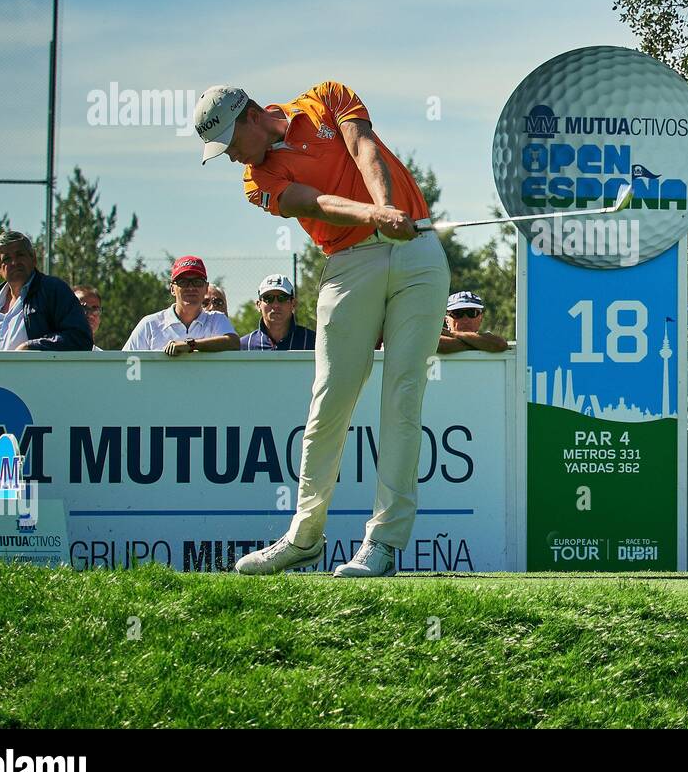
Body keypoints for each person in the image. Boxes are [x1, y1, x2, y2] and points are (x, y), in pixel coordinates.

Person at [195, 81, 448, 578]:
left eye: (229, 144)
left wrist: (387, 206)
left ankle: (383, 543)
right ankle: (304, 537)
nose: (229, 158)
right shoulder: (257, 180)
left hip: (417, 251)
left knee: (403, 394)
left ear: (249, 116)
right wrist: (375, 215)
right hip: (350, 261)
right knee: (330, 399)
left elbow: (362, 145)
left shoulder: (326, 97)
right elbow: (316, 203)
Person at [0, 231, 93, 351]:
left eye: (20, 255)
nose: (14, 262)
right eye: (6, 258)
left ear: (33, 258)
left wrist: (32, 347)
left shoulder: (52, 290)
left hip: (37, 378)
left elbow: (80, 337)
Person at [121, 256, 240, 355]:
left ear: (205, 288)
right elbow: (125, 364)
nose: (191, 287)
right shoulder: (150, 325)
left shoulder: (216, 319)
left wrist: (190, 345)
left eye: (197, 282)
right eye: (183, 282)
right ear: (172, 289)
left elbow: (233, 343)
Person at [240, 273, 316, 350]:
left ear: (293, 304)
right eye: (268, 298)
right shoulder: (244, 346)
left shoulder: (313, 342)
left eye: (282, 298)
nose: (276, 305)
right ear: (258, 305)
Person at [437, 291, 509, 353]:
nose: (466, 320)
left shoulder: (489, 338)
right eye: (457, 313)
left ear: (481, 318)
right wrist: (481, 345)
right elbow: (437, 345)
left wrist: (453, 334)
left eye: (472, 313)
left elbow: (501, 344)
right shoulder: (434, 338)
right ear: (446, 320)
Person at [73, 284, 104, 350]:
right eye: (82, 308)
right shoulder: (52, 355)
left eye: (95, 309)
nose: (90, 315)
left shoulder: (105, 358)